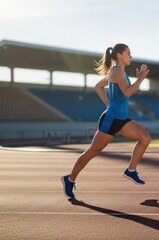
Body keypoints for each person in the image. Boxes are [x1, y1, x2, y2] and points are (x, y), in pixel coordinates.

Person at [62, 44, 151, 198]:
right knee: (93, 151)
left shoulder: (119, 72)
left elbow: (98, 86)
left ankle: (130, 170)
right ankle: (69, 179)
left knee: (145, 138)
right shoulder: (117, 72)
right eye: (128, 53)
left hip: (121, 119)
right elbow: (127, 92)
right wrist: (140, 79)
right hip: (110, 119)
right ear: (119, 55)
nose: (131, 56)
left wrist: (107, 102)